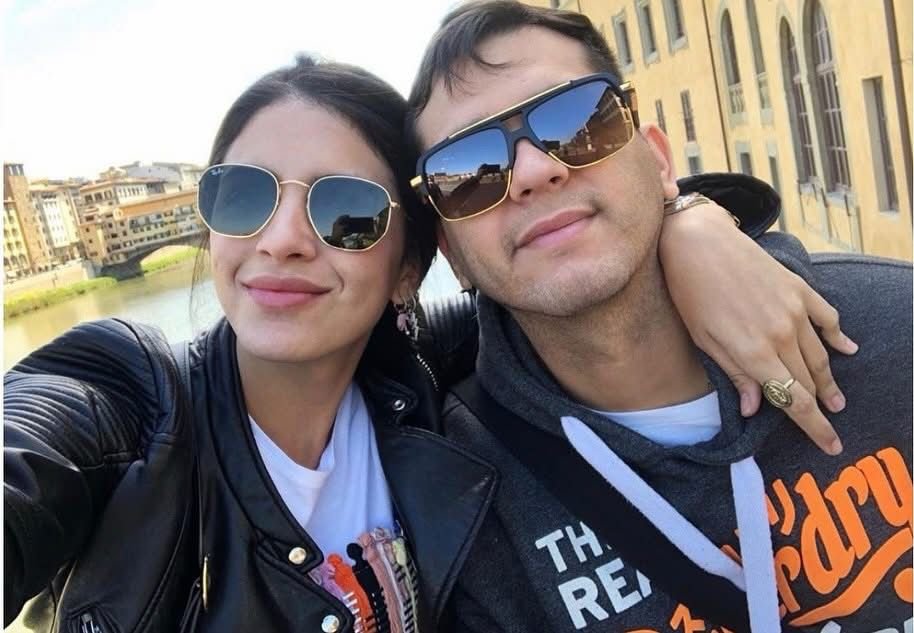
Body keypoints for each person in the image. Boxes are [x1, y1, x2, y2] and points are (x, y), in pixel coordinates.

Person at [3, 53, 860, 633]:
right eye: (245, 196)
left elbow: (575, 271)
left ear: (410, 267)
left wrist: (688, 221)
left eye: (345, 211)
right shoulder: (127, 403)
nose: (283, 239)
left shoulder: (421, 388)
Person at [406, 2, 913, 632]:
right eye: (467, 171)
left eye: (575, 118)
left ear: (660, 161)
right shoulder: (467, 506)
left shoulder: (895, 326)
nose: (534, 171)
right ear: (451, 253)